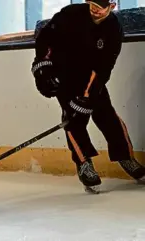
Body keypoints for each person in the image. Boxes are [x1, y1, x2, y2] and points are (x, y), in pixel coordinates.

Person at [31, 0, 145, 194]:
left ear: (112, 6)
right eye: (92, 3)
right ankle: (84, 163)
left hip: (91, 78)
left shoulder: (113, 29)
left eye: (100, 7)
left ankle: (125, 156)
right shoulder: (70, 14)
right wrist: (43, 67)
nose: (95, 9)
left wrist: (87, 96)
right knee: (73, 121)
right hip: (62, 76)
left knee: (107, 116)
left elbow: (103, 68)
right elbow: (45, 38)